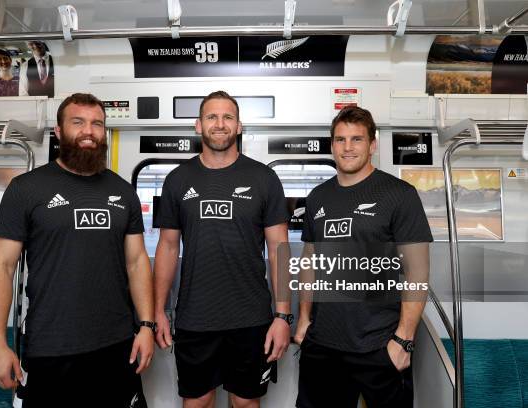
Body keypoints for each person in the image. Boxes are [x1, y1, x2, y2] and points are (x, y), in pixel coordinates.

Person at [0, 93, 153, 407]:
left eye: (96, 124)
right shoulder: (26, 189)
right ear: (59, 131)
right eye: (78, 122)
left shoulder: (122, 191)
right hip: (51, 348)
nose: (88, 131)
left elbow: (137, 261)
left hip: (117, 347)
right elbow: (1, 267)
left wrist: (146, 326)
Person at [154, 90, 291, 408]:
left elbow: (278, 249)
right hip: (194, 318)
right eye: (212, 117)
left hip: (251, 318)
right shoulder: (177, 180)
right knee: (197, 401)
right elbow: (168, 247)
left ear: (239, 126)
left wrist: (283, 315)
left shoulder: (263, 178)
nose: (220, 124)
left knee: (245, 402)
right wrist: (157, 311)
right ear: (198, 126)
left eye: (228, 117)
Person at [294, 106, 432, 408]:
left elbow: (417, 273)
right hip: (323, 345)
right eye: (340, 140)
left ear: (372, 145)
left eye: (356, 139)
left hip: (379, 344)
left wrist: (403, 340)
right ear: (332, 145)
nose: (347, 147)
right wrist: (304, 320)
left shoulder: (399, 194)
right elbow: (309, 261)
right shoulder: (318, 197)